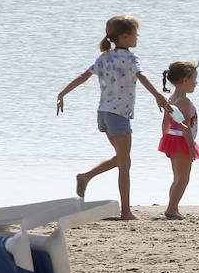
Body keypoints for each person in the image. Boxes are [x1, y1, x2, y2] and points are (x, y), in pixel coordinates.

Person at [56, 14, 169, 220]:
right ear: (125, 36)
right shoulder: (130, 58)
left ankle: (86, 176)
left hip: (104, 113)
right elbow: (141, 75)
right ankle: (125, 211)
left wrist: (63, 93)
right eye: (135, 33)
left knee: (121, 158)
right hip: (119, 114)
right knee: (125, 165)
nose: (138, 37)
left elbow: (83, 76)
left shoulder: (104, 57)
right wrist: (158, 96)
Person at [157, 60, 199, 219]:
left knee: (177, 177)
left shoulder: (171, 99)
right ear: (185, 80)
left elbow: (165, 123)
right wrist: (191, 148)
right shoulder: (184, 101)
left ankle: (172, 206)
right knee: (183, 179)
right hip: (183, 142)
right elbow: (186, 128)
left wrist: (165, 140)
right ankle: (172, 209)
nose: (196, 83)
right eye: (194, 79)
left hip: (173, 140)